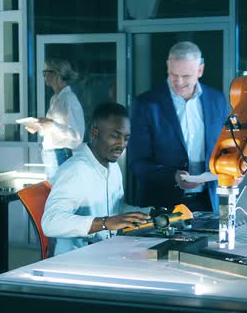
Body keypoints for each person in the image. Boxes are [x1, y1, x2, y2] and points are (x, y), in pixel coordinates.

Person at [128, 41, 230, 213]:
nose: (179, 82)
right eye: (174, 75)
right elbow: (137, 163)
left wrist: (234, 171)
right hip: (162, 205)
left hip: (209, 202)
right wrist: (173, 177)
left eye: (186, 76)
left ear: (200, 70)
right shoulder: (146, 104)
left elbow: (226, 147)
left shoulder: (217, 99)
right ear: (168, 67)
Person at [41, 103, 152, 256]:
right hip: (75, 260)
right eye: (114, 136)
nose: (122, 144)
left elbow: (114, 210)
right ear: (94, 133)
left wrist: (147, 213)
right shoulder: (75, 170)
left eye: (126, 138)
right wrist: (104, 223)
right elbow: (50, 222)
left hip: (105, 253)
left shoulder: (112, 167)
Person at [24, 58, 85, 181]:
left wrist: (51, 124)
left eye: (47, 71)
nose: (44, 75)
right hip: (50, 153)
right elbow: (52, 130)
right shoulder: (54, 99)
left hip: (61, 154)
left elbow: (77, 135)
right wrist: (38, 128)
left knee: (60, 193)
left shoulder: (70, 99)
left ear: (57, 74)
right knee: (52, 191)